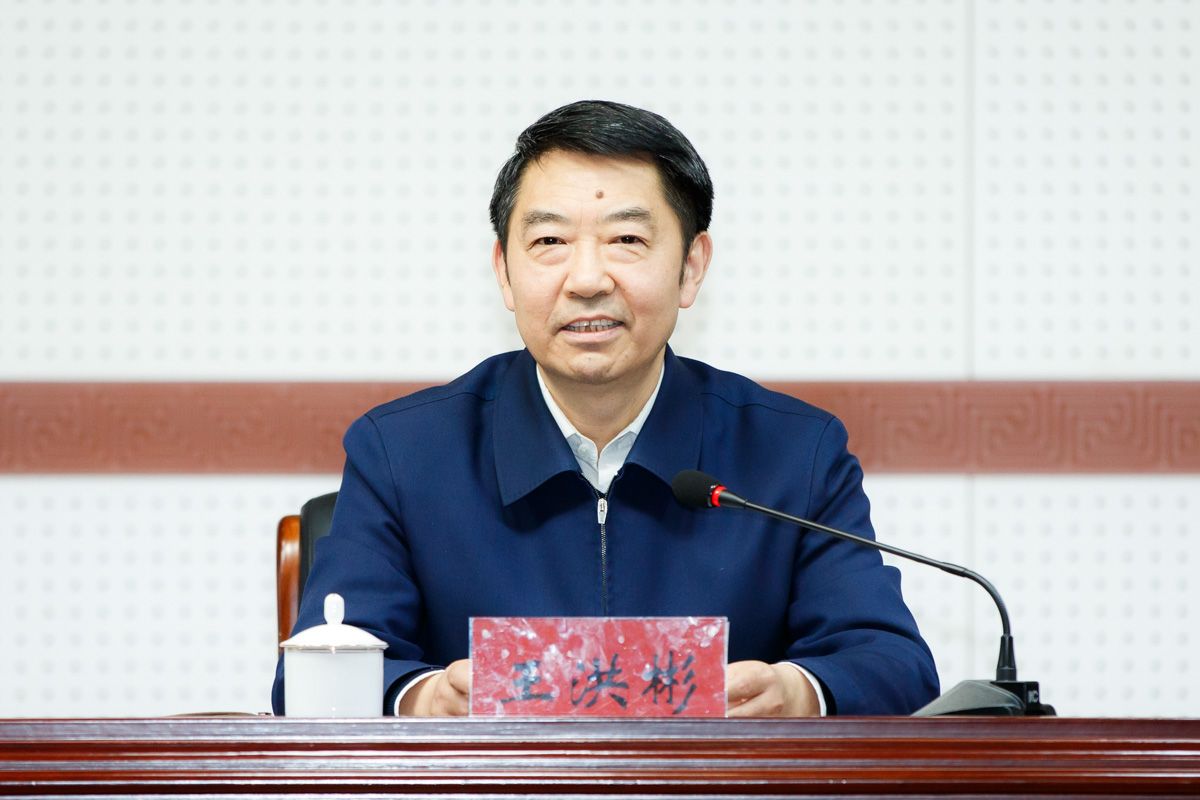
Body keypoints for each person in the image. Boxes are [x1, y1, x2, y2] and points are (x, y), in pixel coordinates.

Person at [272, 100, 939, 717]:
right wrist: (426, 699)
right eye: (549, 243)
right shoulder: (403, 454)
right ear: (504, 271)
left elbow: (893, 664)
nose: (587, 280)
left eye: (626, 240)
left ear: (691, 266)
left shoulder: (794, 453)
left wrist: (799, 692)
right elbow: (311, 679)